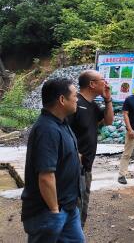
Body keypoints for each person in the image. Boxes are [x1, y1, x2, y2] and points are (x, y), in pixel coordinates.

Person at [21, 78, 85, 243]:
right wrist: (55, 211)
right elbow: (46, 176)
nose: (77, 99)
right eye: (75, 95)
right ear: (62, 100)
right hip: (48, 212)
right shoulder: (47, 129)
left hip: (68, 208)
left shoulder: (61, 123)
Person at [66, 70, 114, 227]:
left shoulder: (92, 105)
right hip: (73, 167)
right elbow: (63, 132)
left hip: (86, 166)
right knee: (74, 208)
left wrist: (108, 100)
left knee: (82, 207)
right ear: (92, 84)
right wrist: (75, 154)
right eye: (102, 80)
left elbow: (108, 121)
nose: (106, 83)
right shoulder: (75, 104)